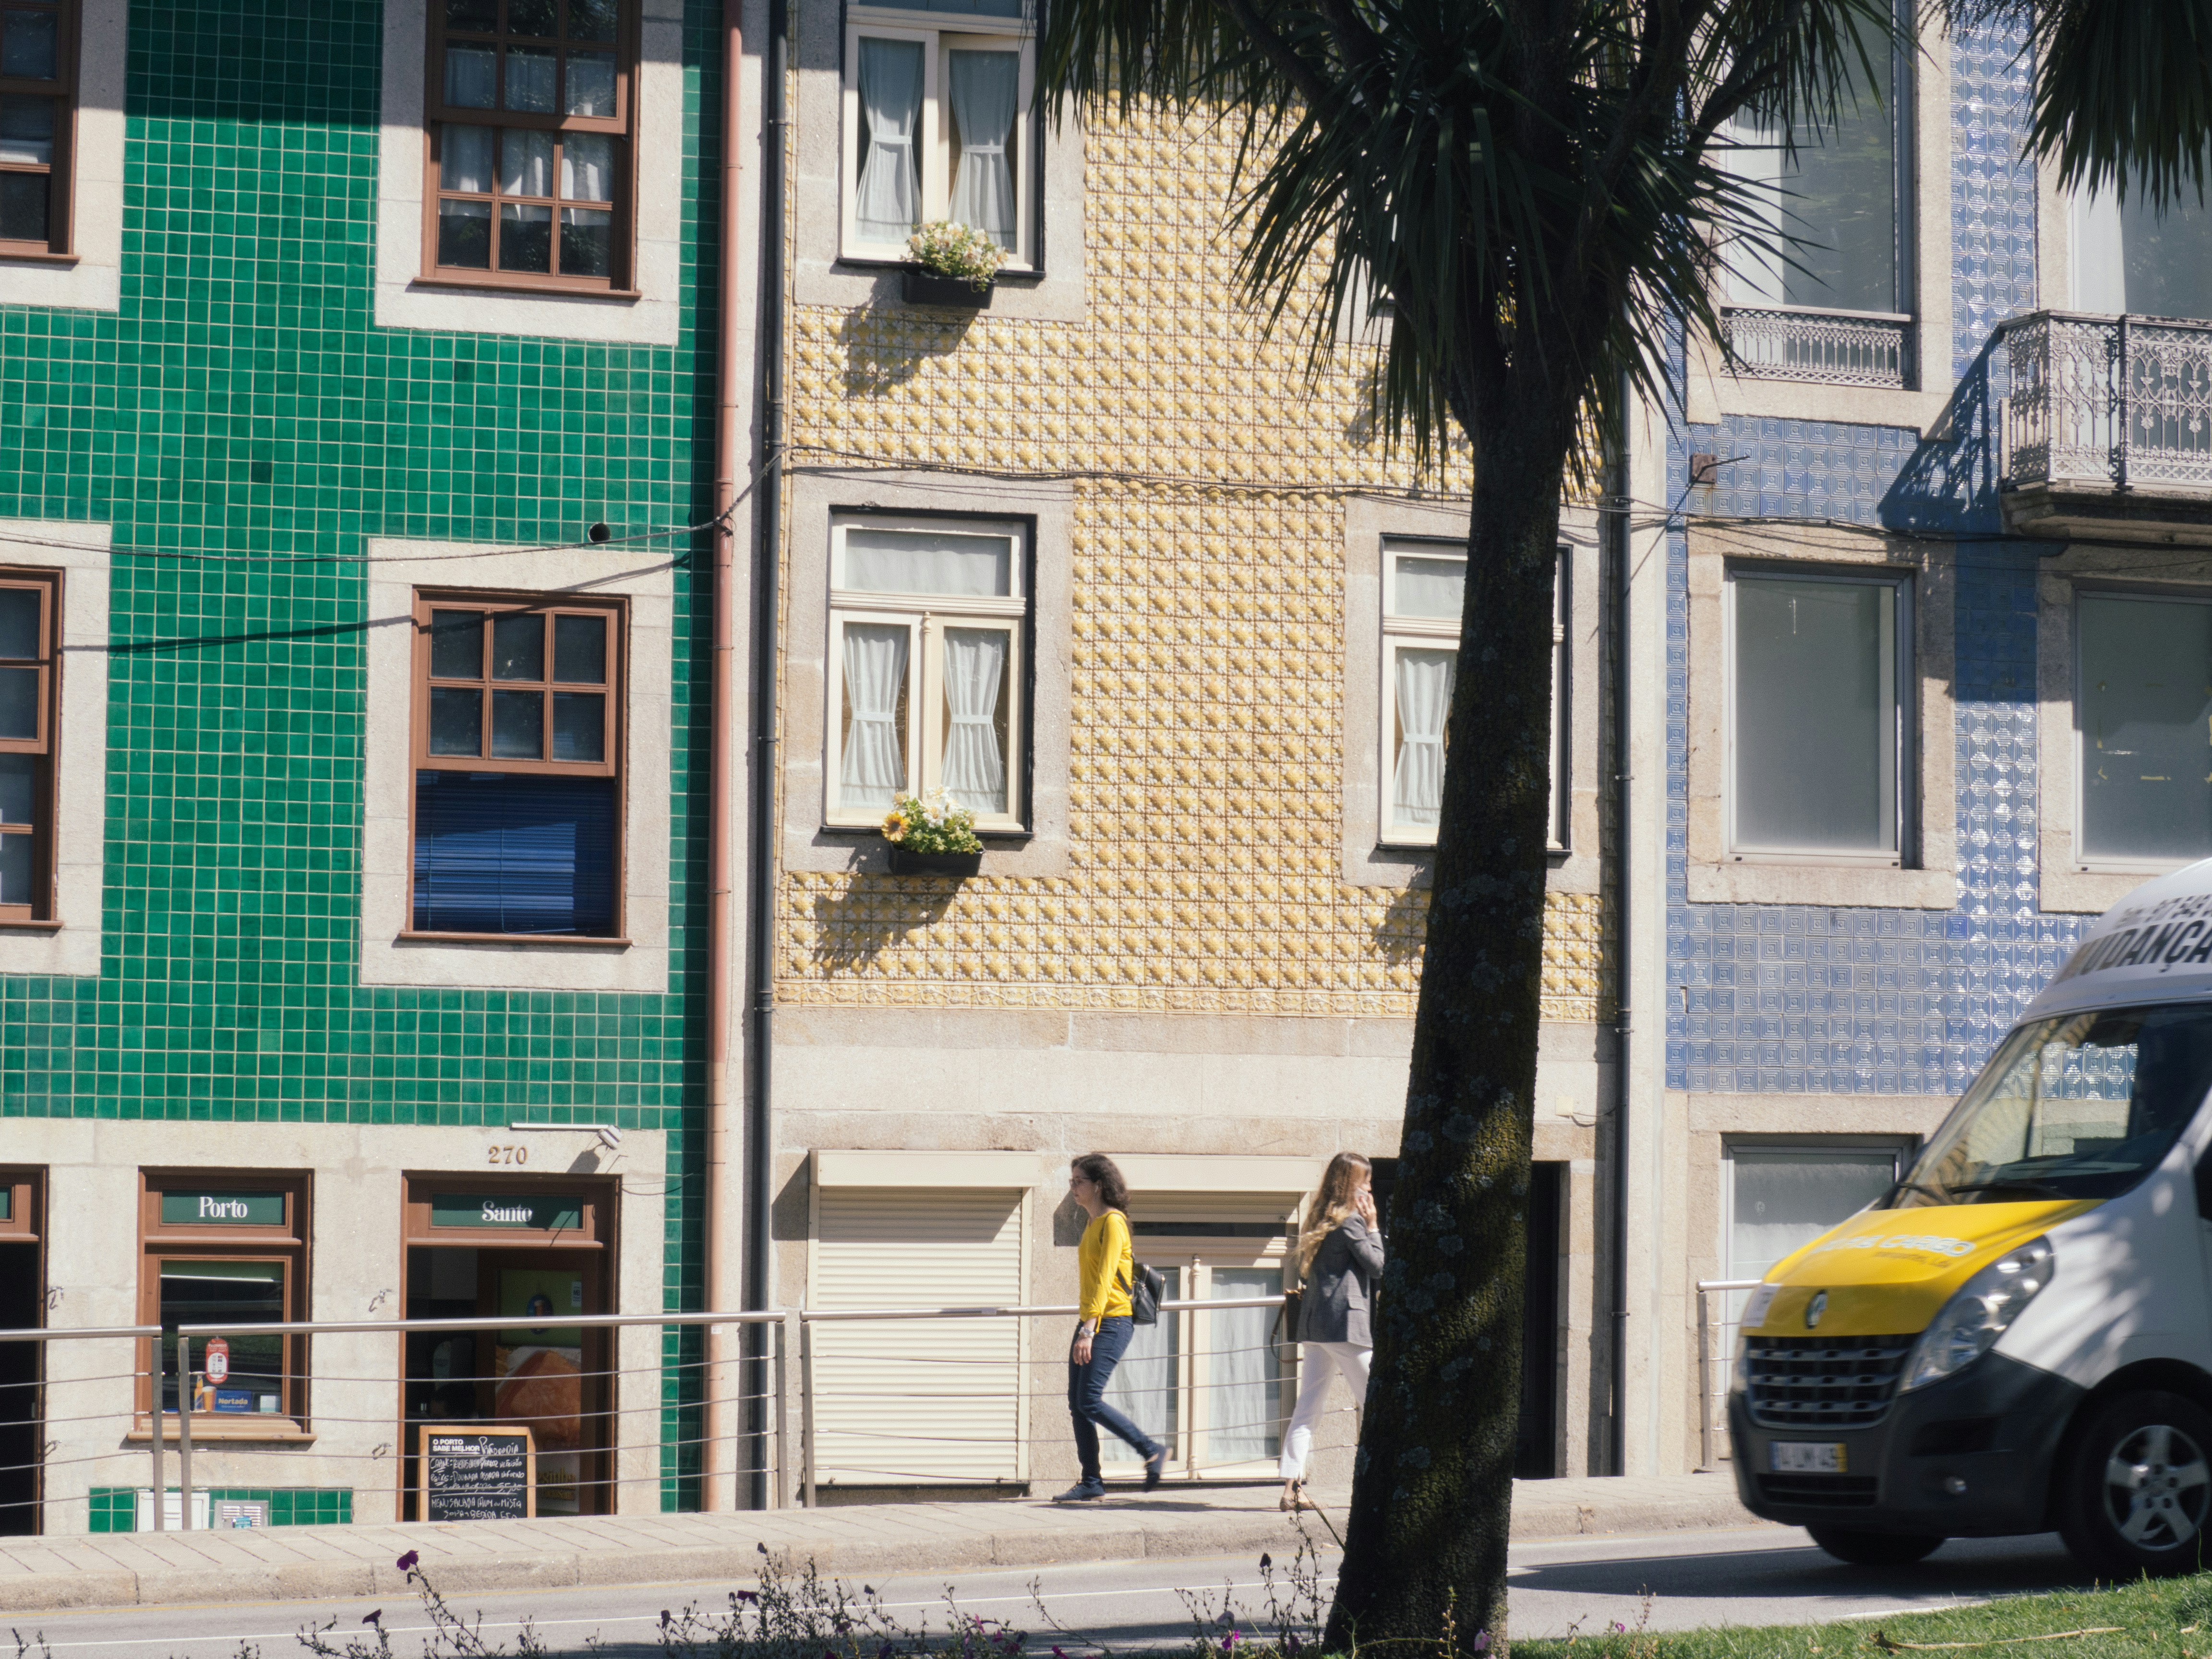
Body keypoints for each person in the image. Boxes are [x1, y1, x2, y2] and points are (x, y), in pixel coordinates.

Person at [1058, 1154, 1168, 1501]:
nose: (1073, 1188)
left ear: (1099, 1185)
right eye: (1071, 1181)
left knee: (1089, 1400)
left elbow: (1106, 1279)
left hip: (1111, 1321)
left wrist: (1090, 1329)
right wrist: (1086, 1324)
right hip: (1091, 1320)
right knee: (1078, 1404)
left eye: (1079, 1182)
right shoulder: (1092, 1224)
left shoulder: (1113, 1222)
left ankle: (1150, 1449)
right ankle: (1091, 1481)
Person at [1278, 1151, 1383, 1512]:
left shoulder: (1320, 1216)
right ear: (1350, 1184)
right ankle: (1383, 1485)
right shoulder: (1353, 1222)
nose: (1370, 1187)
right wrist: (1373, 1226)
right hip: (1346, 1327)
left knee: (1307, 1407)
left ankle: (1291, 1488)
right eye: (1365, 1180)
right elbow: (1377, 1265)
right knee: (1379, 1404)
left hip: (1316, 1325)